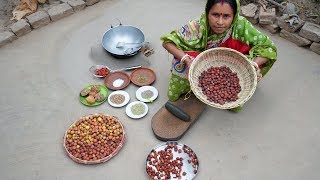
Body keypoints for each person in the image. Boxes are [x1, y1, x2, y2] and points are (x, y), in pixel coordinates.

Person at [160, 0, 277, 111]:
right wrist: (186, 59)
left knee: (257, 59)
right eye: (215, 15)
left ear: (234, 16)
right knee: (180, 62)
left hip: (233, 59)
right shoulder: (198, 25)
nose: (220, 22)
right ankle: (181, 89)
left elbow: (269, 48)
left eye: (226, 16)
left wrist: (253, 65)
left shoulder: (241, 25)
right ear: (207, 13)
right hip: (201, 58)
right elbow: (167, 42)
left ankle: (233, 101)